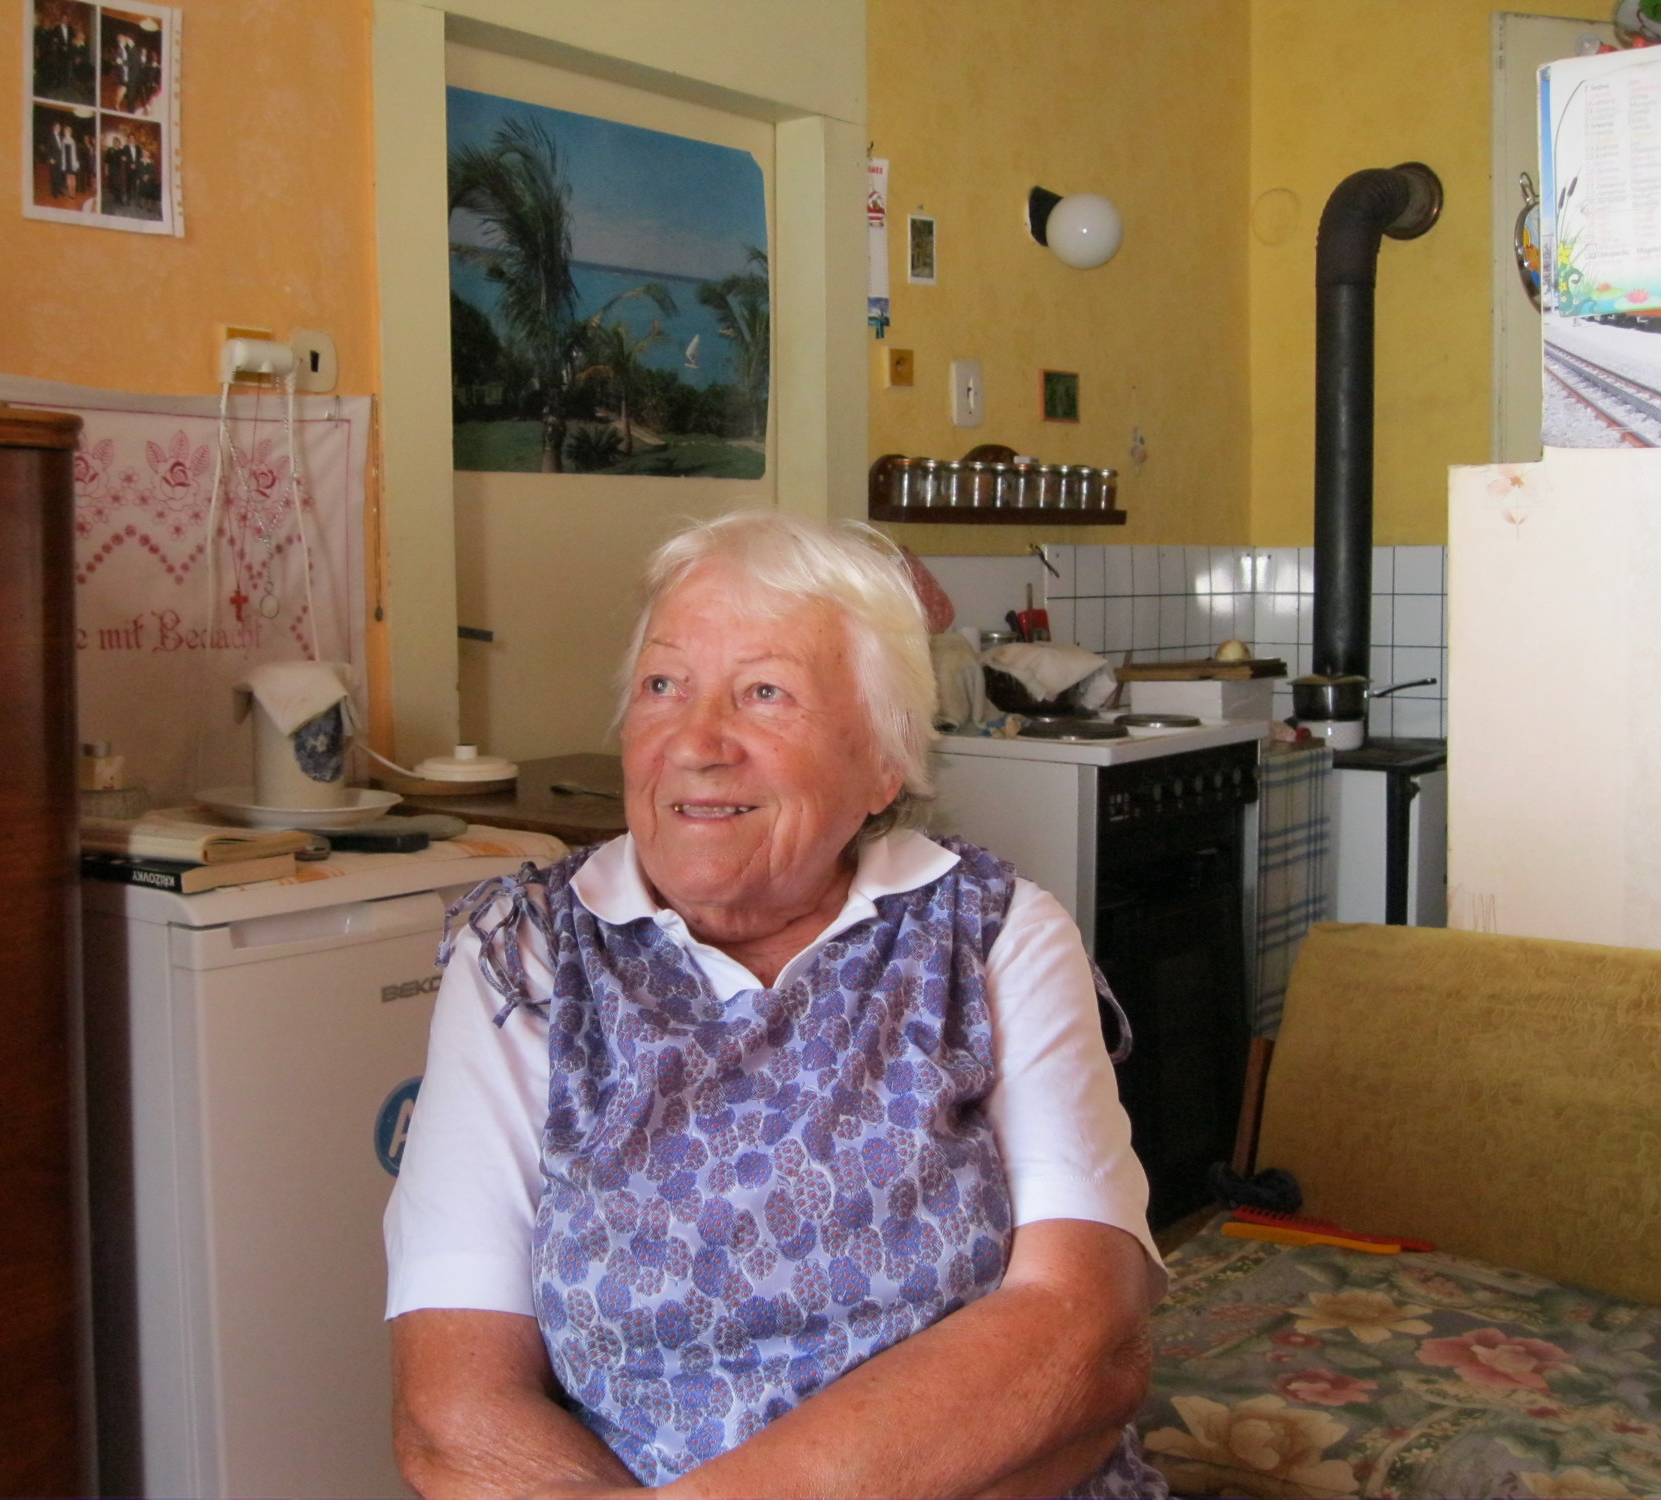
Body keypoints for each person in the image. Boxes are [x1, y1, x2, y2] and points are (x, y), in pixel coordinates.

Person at [385, 512, 1166, 1498]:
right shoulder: (527, 956)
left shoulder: (990, 934)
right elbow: (453, 1416)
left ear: (882, 762)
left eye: (765, 693)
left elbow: (1085, 1338)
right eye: (663, 686)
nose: (695, 742)